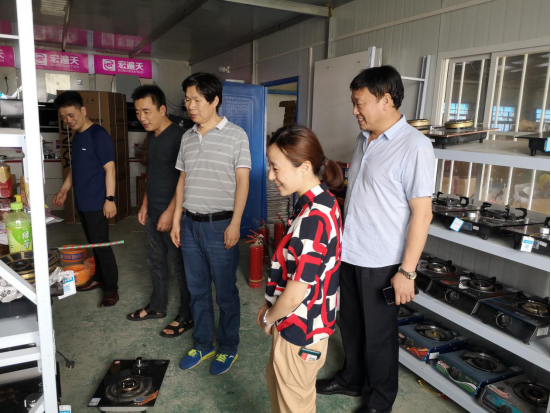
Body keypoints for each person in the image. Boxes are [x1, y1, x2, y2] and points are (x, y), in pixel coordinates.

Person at [316, 65, 435, 413]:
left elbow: (422, 214)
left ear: (386, 99)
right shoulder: (363, 139)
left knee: (379, 338)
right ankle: (352, 378)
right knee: (350, 325)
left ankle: (380, 402)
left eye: (360, 103)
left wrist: (407, 272)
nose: (354, 110)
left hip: (382, 261)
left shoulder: (415, 146)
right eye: (353, 103)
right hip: (350, 252)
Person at [257, 125, 343, 413]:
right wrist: (272, 307)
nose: (271, 176)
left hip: (299, 329)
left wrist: (269, 316)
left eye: (275, 168)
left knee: (294, 405)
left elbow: (296, 293)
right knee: (285, 395)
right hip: (304, 323)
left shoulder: (313, 218)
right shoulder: (323, 202)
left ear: (305, 167)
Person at [170, 72, 251, 376]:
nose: (190, 106)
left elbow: (242, 182)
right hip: (190, 225)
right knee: (197, 289)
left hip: (220, 226)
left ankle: (228, 347)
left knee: (225, 292)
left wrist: (236, 223)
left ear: (214, 100)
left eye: (196, 100)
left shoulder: (237, 136)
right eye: (187, 100)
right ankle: (203, 343)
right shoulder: (187, 137)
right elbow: (182, 180)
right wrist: (176, 220)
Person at [126, 85, 193, 338]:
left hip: (173, 215)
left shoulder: (180, 137)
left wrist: (170, 212)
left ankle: (187, 314)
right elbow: (153, 173)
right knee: (155, 261)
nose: (142, 118)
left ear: (162, 109)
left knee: (179, 267)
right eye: (138, 112)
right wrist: (145, 204)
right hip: (154, 210)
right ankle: (157, 306)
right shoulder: (152, 136)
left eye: (146, 111)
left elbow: (185, 179)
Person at [53, 91, 120, 307]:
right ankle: (99, 277)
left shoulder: (98, 135)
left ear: (83, 110)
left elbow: (110, 169)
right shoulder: (77, 136)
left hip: (97, 202)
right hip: (83, 201)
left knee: (102, 246)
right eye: (64, 117)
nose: (68, 120)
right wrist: (64, 189)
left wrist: (110, 199)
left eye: (71, 115)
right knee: (94, 244)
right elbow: (76, 167)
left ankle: (111, 288)